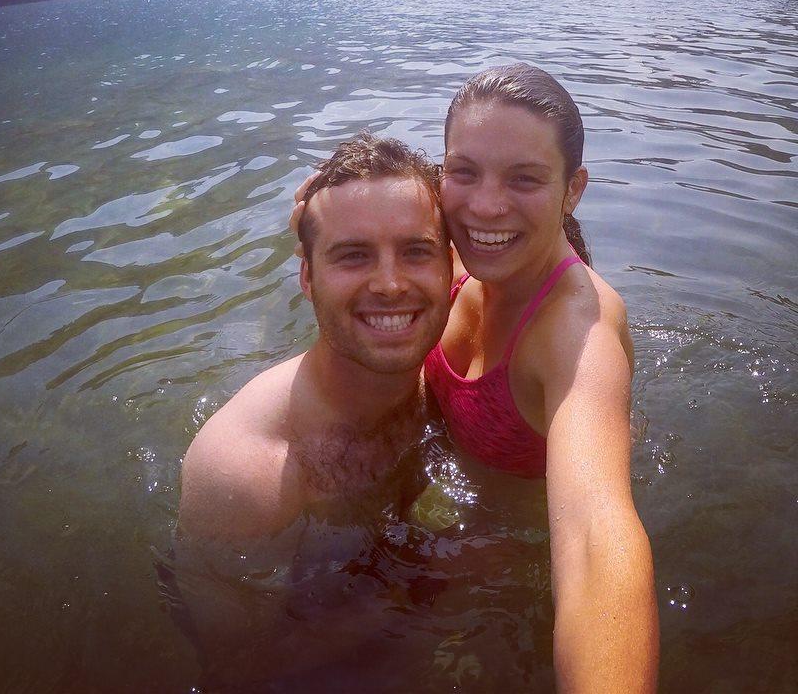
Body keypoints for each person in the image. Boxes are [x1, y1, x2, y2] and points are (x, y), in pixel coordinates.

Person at [290, 62, 658, 693]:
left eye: (525, 179)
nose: (486, 204)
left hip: (509, 574)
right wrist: (311, 222)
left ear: (574, 190)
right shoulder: (463, 250)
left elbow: (598, 537)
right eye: (464, 172)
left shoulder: (574, 333)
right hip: (431, 511)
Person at [178, 131, 451, 541]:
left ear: (450, 265)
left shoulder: (462, 343)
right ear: (307, 276)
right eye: (353, 255)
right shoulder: (243, 476)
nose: (391, 285)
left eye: (416, 251)